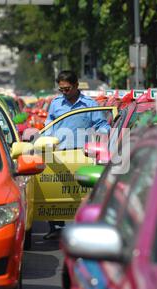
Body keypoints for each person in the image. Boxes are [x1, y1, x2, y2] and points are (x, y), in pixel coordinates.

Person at [42, 70, 111, 240]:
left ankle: (84, 225)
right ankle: (56, 227)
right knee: (54, 189)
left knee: (82, 191)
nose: (64, 93)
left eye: (67, 89)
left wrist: (101, 137)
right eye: (61, 89)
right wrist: (45, 139)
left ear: (76, 86)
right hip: (58, 153)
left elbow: (102, 124)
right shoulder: (56, 103)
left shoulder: (89, 104)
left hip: (83, 155)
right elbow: (49, 123)